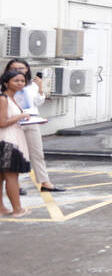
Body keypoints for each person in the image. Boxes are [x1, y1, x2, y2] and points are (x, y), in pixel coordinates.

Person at [4, 59, 62, 193]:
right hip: (12, 123)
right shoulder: (4, 86)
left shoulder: (31, 85)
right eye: (15, 68)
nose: (18, 71)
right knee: (14, 154)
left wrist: (41, 87)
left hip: (32, 122)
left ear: (27, 70)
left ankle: (45, 183)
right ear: (8, 70)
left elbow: (38, 102)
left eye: (21, 68)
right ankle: (15, 186)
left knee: (37, 153)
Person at [0, 69, 32, 216]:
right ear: (6, 83)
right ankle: (17, 209)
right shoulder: (3, 99)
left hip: (10, 139)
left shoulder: (12, 98)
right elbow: (2, 122)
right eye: (16, 81)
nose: (20, 83)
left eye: (22, 81)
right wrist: (21, 116)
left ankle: (1, 208)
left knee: (3, 176)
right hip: (7, 141)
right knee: (12, 176)